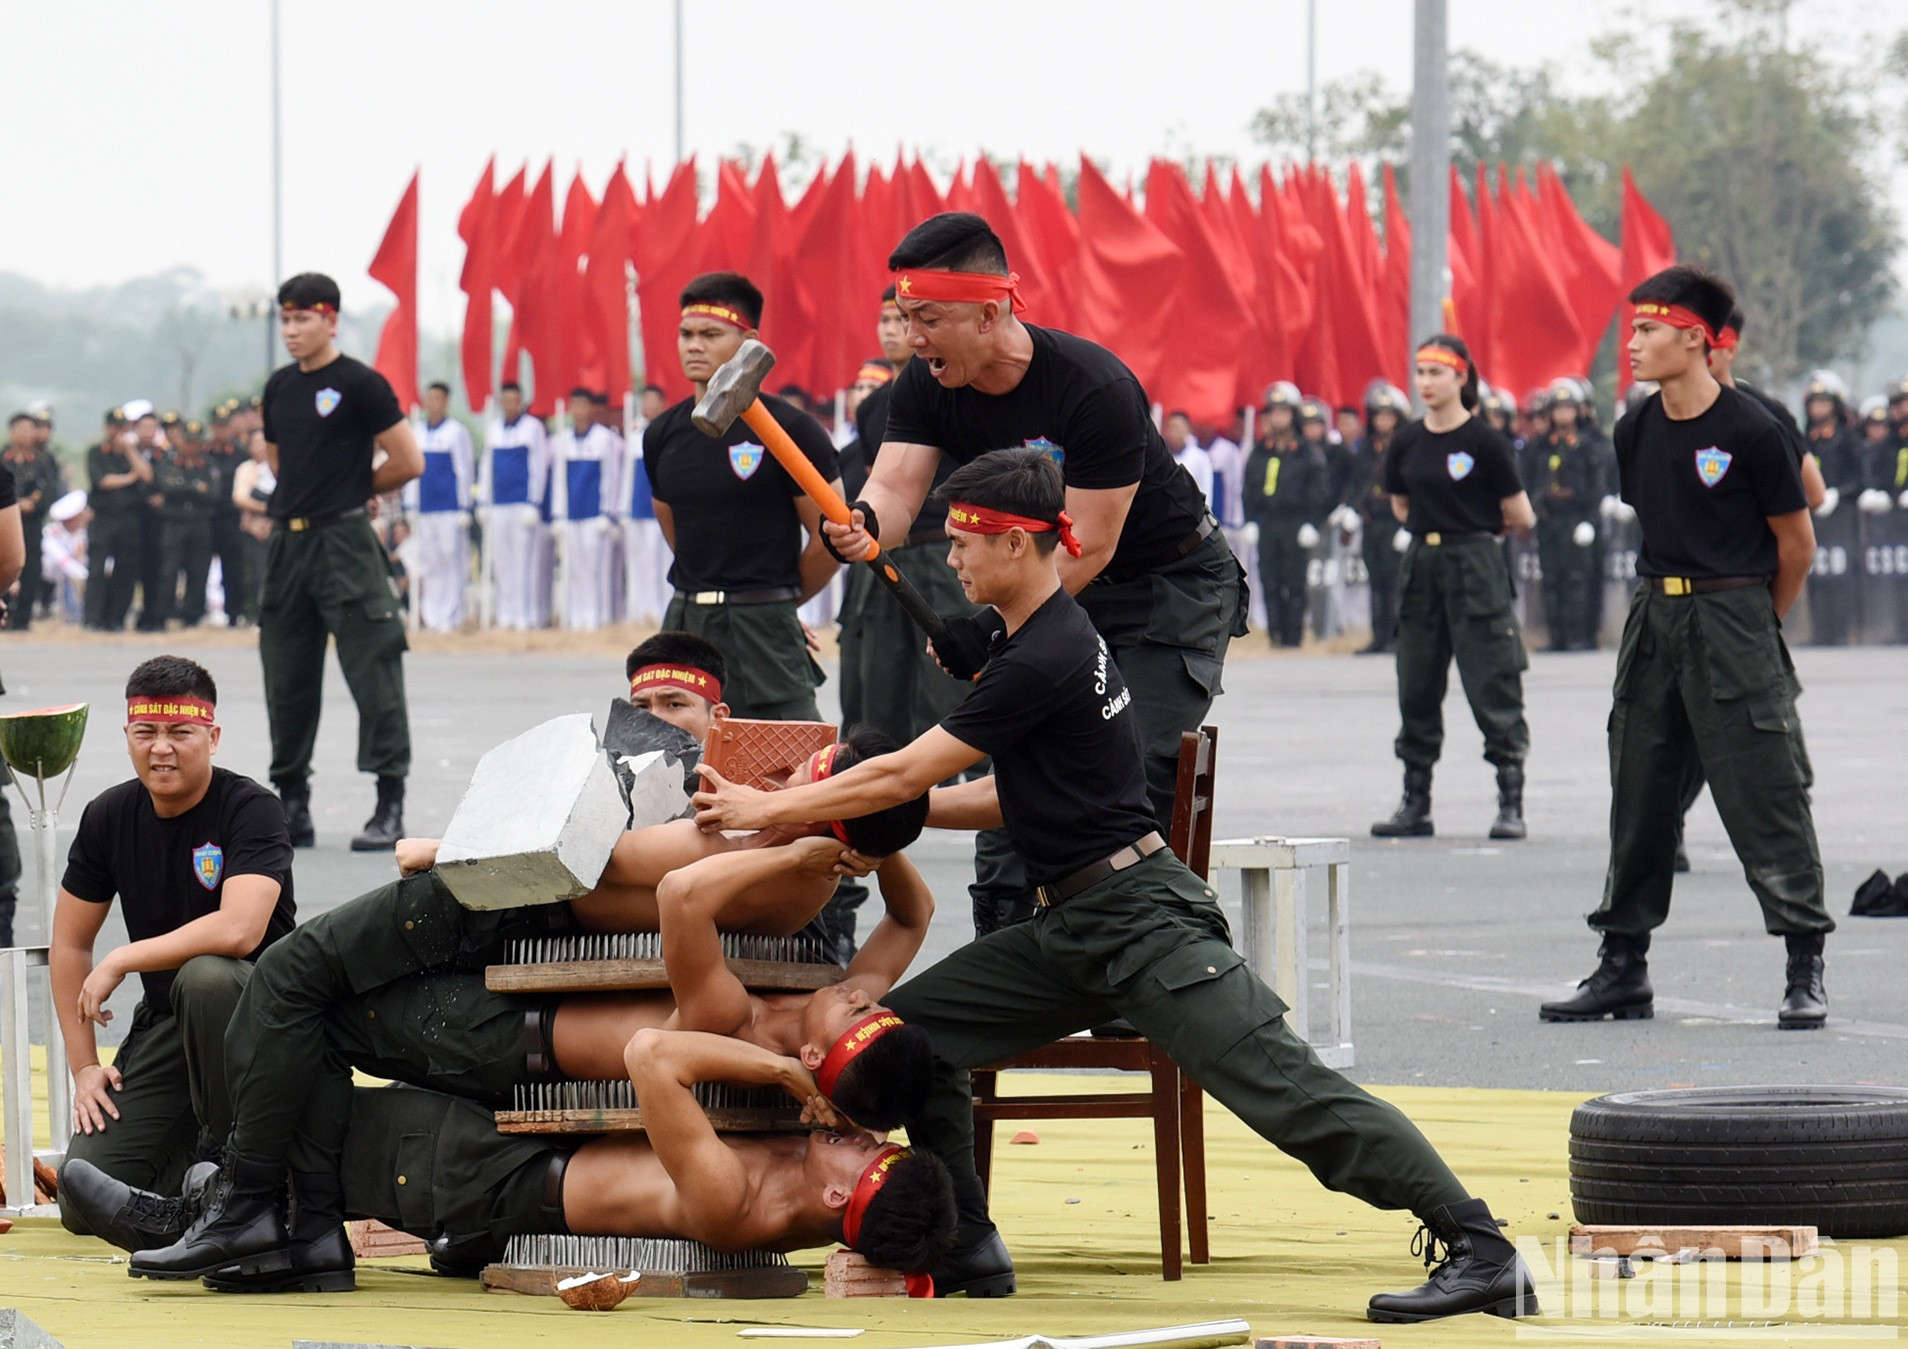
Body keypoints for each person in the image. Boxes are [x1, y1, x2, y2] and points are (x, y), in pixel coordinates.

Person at [694, 448, 1535, 1322]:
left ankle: (1482, 1246)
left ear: (1016, 545)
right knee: (913, 1041)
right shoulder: (1040, 639)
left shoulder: (1043, 655)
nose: (951, 559)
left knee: (1290, 1094)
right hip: (1071, 926)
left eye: (965, 542)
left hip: (1144, 926)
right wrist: (887, 813)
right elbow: (999, 797)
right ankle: (968, 1240)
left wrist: (772, 804)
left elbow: (903, 770)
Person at [118, 726, 932, 1290]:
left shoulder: (746, 1116)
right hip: (524, 1045)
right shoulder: (808, 1027)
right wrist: (864, 835)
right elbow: (911, 917)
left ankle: (243, 1206)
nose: (854, 992)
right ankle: (269, 1217)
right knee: (298, 1022)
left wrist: (790, 829)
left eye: (867, 1151)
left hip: (506, 1115)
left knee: (290, 985)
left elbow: (634, 887)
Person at [824, 213, 1246, 876]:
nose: (913, 337)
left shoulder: (1093, 387)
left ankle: (1158, 923)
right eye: (907, 318)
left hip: (1165, 587)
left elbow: (1089, 546)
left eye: (928, 318)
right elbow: (896, 490)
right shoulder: (927, 382)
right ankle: (1013, 923)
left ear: (989, 315)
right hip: (1056, 587)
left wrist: (989, 628)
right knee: (1021, 760)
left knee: (1124, 763)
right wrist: (864, 522)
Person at [1538, 266, 1831, 1030]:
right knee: (1640, 792)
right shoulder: (1634, 428)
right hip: (1655, 617)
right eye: (1632, 329)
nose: (1632, 344)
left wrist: (1754, 621)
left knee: (1766, 789)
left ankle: (1804, 963)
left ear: (1696, 339)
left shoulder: (1753, 430)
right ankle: (1622, 966)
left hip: (1733, 613)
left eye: (1648, 330)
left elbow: (1796, 543)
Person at [83, 1032, 954, 1288]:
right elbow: (909, 924)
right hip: (519, 1158)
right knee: (327, 1115)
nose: (859, 1132)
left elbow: (653, 1054)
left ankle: (183, 1212)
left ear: (838, 1195)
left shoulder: (738, 1199)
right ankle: (213, 1197)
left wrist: (779, 1068)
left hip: (493, 1178)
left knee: (321, 1096)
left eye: (865, 1150)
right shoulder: (799, 1178)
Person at [50, 657, 296, 1224]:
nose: (161, 749)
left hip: (261, 1019)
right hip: (170, 1024)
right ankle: (196, 1179)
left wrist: (123, 957)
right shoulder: (108, 815)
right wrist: (85, 1068)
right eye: (146, 732)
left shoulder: (251, 807)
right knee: (82, 1200)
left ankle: (244, 1172)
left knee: (206, 976)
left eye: (180, 732)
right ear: (127, 735)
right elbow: (69, 945)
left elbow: (239, 930)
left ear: (212, 736)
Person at [258, 272, 423, 852]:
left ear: (330, 320)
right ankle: (292, 802)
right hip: (288, 544)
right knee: (286, 675)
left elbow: (408, 460)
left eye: (303, 318)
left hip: (345, 543)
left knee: (375, 672)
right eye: (285, 319)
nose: (291, 330)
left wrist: (354, 487)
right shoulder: (279, 387)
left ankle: (388, 803)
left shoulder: (360, 383)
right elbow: (279, 462)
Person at [645, 272, 840, 719]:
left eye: (710, 335)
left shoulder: (791, 429)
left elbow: (830, 537)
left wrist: (781, 603)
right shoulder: (661, 434)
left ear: (748, 341)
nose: (694, 346)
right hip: (686, 623)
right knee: (671, 752)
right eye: (686, 334)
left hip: (764, 628)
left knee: (791, 753)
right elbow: (676, 530)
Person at [1370, 336, 1536, 842]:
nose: (1425, 382)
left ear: (1461, 378)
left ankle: (1510, 801)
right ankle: (1415, 802)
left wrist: (1472, 529)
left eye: (1436, 373)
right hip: (1423, 563)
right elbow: (1400, 504)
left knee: (1493, 679)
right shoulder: (1407, 440)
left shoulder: (1486, 442)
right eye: (1420, 372)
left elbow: (1521, 514)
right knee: (1416, 680)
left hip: (1476, 562)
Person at [1243, 391, 1330, 648]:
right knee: (1269, 580)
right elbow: (1249, 488)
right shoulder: (1261, 450)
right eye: (1274, 412)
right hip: (1268, 522)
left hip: (1295, 522)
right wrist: (1250, 519)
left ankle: (1293, 638)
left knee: (1295, 582)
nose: (1278, 418)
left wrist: (1312, 523)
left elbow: (1319, 489)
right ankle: (1275, 636)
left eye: (1284, 412)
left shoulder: (1305, 451)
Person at [1532, 377, 1611, 653]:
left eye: (1568, 408)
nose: (1563, 414)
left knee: (1578, 579)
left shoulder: (1588, 445)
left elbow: (1597, 485)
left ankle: (1580, 637)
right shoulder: (1542, 446)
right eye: (1558, 408)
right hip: (1549, 521)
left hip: (1577, 520)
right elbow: (1531, 480)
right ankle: (1557, 637)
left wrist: (1590, 521)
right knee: (1551, 579)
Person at [1341, 383, 1409, 654]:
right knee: (1376, 580)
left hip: (1396, 520)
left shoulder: (1405, 447)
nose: (1383, 422)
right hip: (1372, 521)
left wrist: (1410, 524)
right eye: (1379, 416)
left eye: (1388, 416)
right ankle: (1378, 636)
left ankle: (1397, 636)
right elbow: (1357, 482)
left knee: (1395, 582)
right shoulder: (1368, 447)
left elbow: (1415, 485)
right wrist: (1350, 509)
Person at [1798, 371, 1863, 646]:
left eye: (1824, 402)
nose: (1818, 408)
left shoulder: (1848, 438)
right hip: (1814, 517)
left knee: (1840, 574)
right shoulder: (1806, 439)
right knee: (1816, 575)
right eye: (1814, 403)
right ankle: (1820, 632)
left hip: (1841, 516)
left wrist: (1838, 494)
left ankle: (1840, 632)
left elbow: (1860, 477)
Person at [403, 381, 473, 632]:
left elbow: (464, 469)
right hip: (425, 507)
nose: (432, 403)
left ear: (445, 402)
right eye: (429, 398)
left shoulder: (456, 432)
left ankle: (451, 615)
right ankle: (432, 614)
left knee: (450, 559)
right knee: (430, 562)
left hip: (449, 507)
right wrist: (410, 504)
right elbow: (411, 469)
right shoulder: (417, 431)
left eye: (437, 399)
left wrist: (465, 506)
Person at [552, 388, 622, 630]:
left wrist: (607, 512)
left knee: (595, 567)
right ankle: (576, 615)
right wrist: (558, 514)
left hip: (594, 515)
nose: (579, 411)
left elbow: (610, 477)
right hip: (572, 514)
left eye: (583, 405)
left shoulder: (603, 438)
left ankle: (596, 615)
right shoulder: (563, 439)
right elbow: (559, 479)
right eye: (575, 405)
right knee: (574, 566)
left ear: (591, 408)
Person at [479, 381, 547, 631]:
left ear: (521, 402)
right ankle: (505, 612)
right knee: (502, 561)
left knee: (522, 561)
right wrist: (483, 500)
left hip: (521, 503)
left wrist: (534, 501)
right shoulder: (494, 428)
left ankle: (523, 614)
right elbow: (486, 466)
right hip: (499, 503)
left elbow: (538, 465)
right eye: (505, 401)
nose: (510, 406)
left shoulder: (532, 428)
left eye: (514, 401)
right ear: (500, 403)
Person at [84, 408, 150, 631]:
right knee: (97, 569)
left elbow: (147, 476)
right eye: (115, 427)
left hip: (129, 519)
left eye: (123, 428)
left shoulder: (135, 453)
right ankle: (93, 618)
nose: (119, 432)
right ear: (107, 428)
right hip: (103, 518)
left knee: (126, 570)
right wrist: (131, 477)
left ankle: (116, 618)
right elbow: (102, 480)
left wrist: (131, 451)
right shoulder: (96, 452)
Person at [152, 421, 220, 628]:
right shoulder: (168, 462)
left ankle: (192, 615)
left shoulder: (209, 464)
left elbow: (213, 495)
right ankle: (163, 614)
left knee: (198, 570)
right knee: (168, 570)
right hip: (174, 523)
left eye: (196, 442)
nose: (192, 447)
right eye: (188, 442)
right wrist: (195, 487)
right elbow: (166, 487)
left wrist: (182, 485)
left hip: (200, 523)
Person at [4, 411, 65, 630]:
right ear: (12, 432)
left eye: (30, 430)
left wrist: (33, 504)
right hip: (4, 524)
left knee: (30, 570)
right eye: (22, 429)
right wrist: (15, 504)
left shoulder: (43, 461)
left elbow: (51, 492)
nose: (26, 434)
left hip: (31, 524)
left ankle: (22, 620)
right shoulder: (3, 459)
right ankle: (5, 614)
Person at [229, 432, 275, 626]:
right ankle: (254, 614)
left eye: (265, 442)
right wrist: (270, 508)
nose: (261, 447)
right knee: (255, 574)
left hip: (278, 528)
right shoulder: (246, 469)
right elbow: (240, 498)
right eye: (257, 443)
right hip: (253, 530)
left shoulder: (280, 465)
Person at [1162, 410, 1214, 509]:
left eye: (1177, 428)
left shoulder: (1200, 458)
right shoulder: (1161, 456)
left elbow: (1205, 490)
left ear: (1188, 430)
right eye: (1170, 427)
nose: (1173, 432)